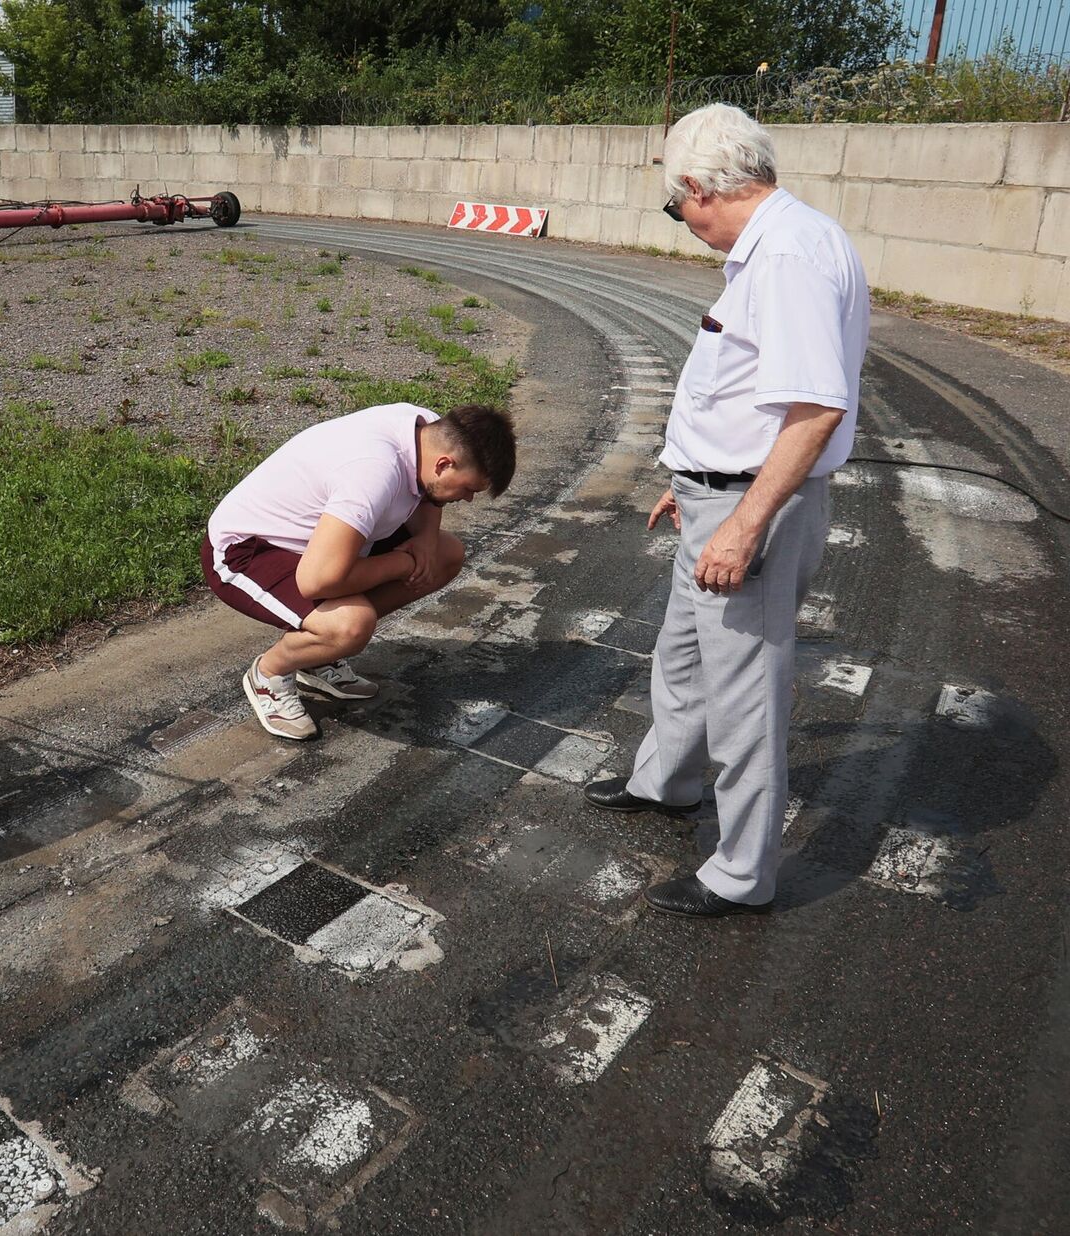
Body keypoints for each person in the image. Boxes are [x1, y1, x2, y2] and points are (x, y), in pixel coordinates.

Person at [582, 104, 869, 918]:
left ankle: (742, 873)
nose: (684, 224)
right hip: (718, 492)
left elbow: (814, 407)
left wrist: (743, 522)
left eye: (678, 209)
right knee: (679, 654)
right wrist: (694, 477)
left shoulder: (784, 258)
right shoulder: (790, 241)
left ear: (701, 188)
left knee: (745, 696)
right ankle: (666, 782)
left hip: (752, 505)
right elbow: (745, 392)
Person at [203, 401, 517, 740]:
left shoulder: (428, 429)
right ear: (444, 464)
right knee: (350, 626)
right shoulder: (373, 472)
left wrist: (425, 541)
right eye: (469, 489)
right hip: (247, 549)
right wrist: (404, 562)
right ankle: (270, 673)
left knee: (445, 554)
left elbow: (428, 495)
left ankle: (317, 657)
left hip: (317, 544)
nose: (468, 499)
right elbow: (317, 580)